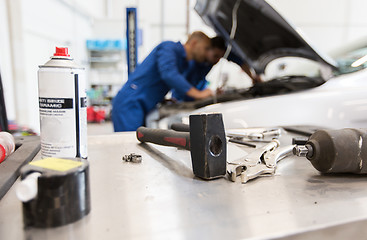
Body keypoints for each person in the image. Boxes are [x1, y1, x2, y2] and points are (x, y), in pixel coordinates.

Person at [112, 31, 213, 132]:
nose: (207, 53)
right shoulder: (169, 48)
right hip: (130, 103)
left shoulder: (185, 63)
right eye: (206, 48)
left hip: (142, 106)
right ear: (194, 43)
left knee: (137, 142)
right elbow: (169, 75)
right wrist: (199, 94)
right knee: (129, 143)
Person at [172, 36, 262, 102]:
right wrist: (200, 95)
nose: (217, 60)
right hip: (181, 97)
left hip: (197, 91)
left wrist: (252, 78)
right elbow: (180, 85)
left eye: (220, 57)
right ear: (206, 49)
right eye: (215, 56)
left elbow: (241, 63)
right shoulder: (193, 61)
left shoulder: (214, 56)